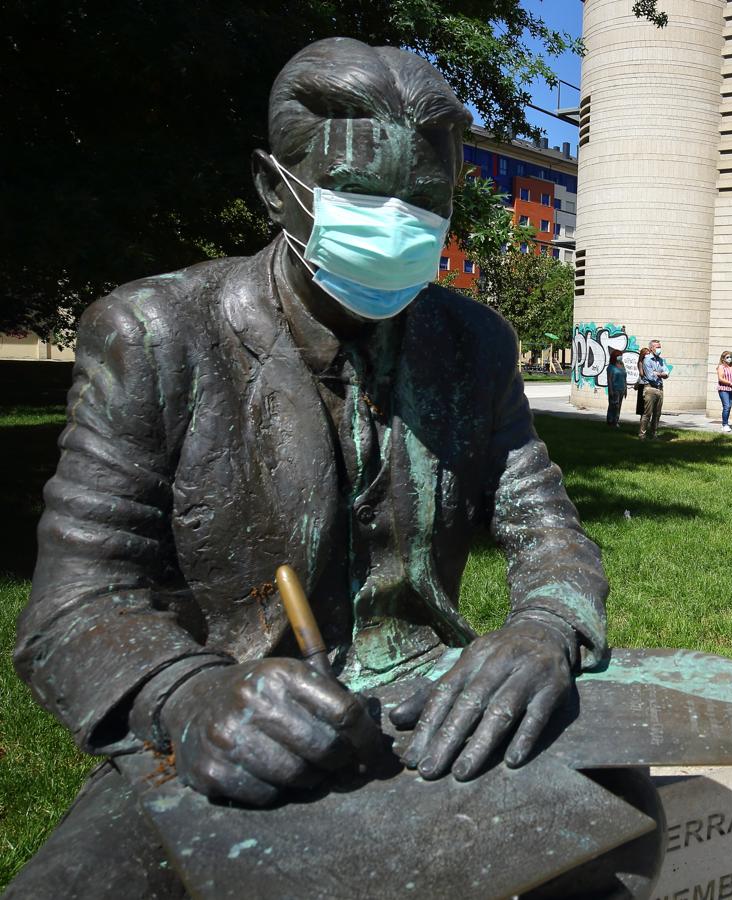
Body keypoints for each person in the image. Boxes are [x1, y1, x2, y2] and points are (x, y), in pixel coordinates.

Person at [9, 38, 608, 894]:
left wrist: (544, 628)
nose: (400, 223)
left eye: (426, 198)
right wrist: (187, 696)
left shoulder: (475, 344)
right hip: (241, 724)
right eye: (362, 193)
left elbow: (548, 530)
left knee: (614, 855)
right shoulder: (153, 336)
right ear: (272, 190)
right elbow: (73, 603)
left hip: (438, 709)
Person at [638, 338, 667, 440]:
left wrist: (657, 373)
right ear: (651, 348)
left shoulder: (661, 360)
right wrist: (660, 374)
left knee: (657, 414)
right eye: (657, 347)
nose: (659, 349)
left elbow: (667, 373)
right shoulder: (647, 360)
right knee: (647, 413)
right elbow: (650, 377)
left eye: (660, 347)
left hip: (660, 388)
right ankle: (642, 435)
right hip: (649, 388)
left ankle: (654, 434)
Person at [716, 351, 732, 433]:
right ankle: (725, 424)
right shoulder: (721, 367)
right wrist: (730, 383)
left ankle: (725, 423)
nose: (729, 358)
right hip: (723, 389)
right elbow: (721, 378)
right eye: (727, 357)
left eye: (730, 357)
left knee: (729, 407)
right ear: (723, 359)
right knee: (726, 406)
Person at [605, 348, 628, 427]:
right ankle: (610, 421)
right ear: (615, 356)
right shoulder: (610, 367)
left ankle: (616, 421)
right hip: (614, 389)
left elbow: (625, 378)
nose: (620, 357)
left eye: (621, 355)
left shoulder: (622, 365)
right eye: (619, 355)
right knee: (613, 405)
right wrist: (610, 390)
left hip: (621, 389)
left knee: (619, 406)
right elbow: (609, 380)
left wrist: (626, 389)